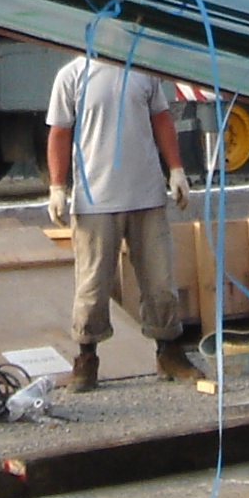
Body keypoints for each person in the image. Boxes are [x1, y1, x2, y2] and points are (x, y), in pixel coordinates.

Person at [45, 33, 198, 391]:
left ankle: (168, 352)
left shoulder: (143, 73)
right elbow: (59, 133)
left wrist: (176, 170)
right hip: (96, 200)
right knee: (92, 286)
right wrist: (57, 187)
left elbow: (161, 119)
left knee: (160, 283)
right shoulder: (72, 76)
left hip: (146, 196)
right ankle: (86, 358)